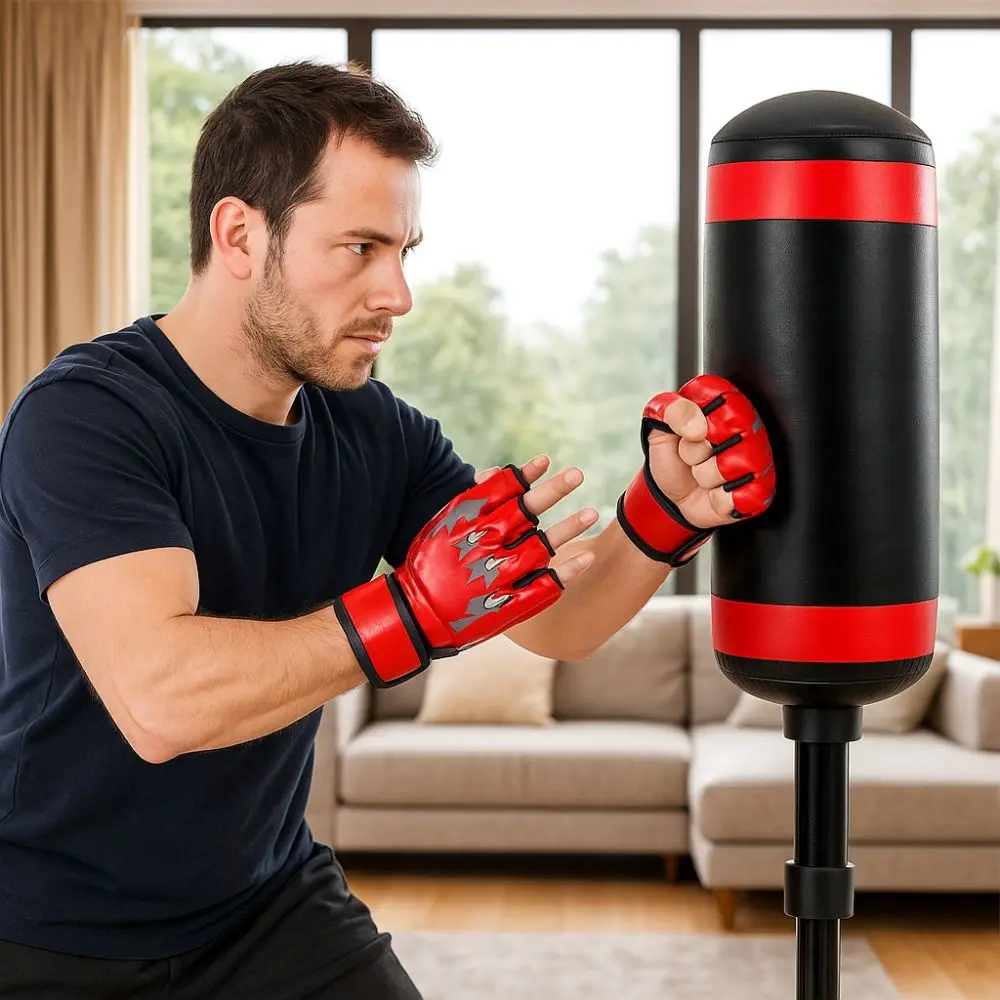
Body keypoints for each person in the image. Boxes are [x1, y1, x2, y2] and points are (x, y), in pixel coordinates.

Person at [0, 61, 775, 999]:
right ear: (239, 234)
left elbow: (554, 623)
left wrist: (663, 511)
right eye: (360, 248)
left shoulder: (373, 429)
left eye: (405, 250)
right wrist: (408, 614)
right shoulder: (88, 415)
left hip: (263, 906)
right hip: (47, 928)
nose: (398, 294)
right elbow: (162, 703)